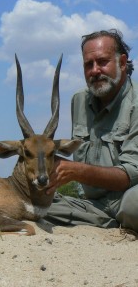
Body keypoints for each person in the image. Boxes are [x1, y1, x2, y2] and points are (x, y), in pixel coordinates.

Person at [44, 29, 138, 233]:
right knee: (30, 203)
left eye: (102, 62)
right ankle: (108, 223)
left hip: (129, 197)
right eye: (88, 64)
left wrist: (76, 170)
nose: (95, 70)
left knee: (134, 205)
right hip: (93, 206)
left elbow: (130, 175)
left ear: (122, 63)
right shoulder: (79, 100)